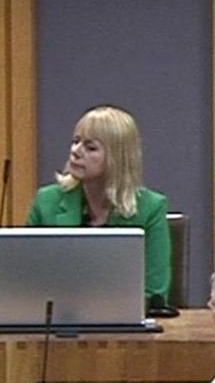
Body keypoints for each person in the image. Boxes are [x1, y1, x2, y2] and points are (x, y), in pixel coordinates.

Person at [26, 105, 172, 306]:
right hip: (58, 322)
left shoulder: (151, 208)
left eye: (90, 147)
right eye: (75, 141)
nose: (75, 151)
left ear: (117, 158)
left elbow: (155, 292)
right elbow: (25, 280)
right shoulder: (46, 201)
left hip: (125, 327)